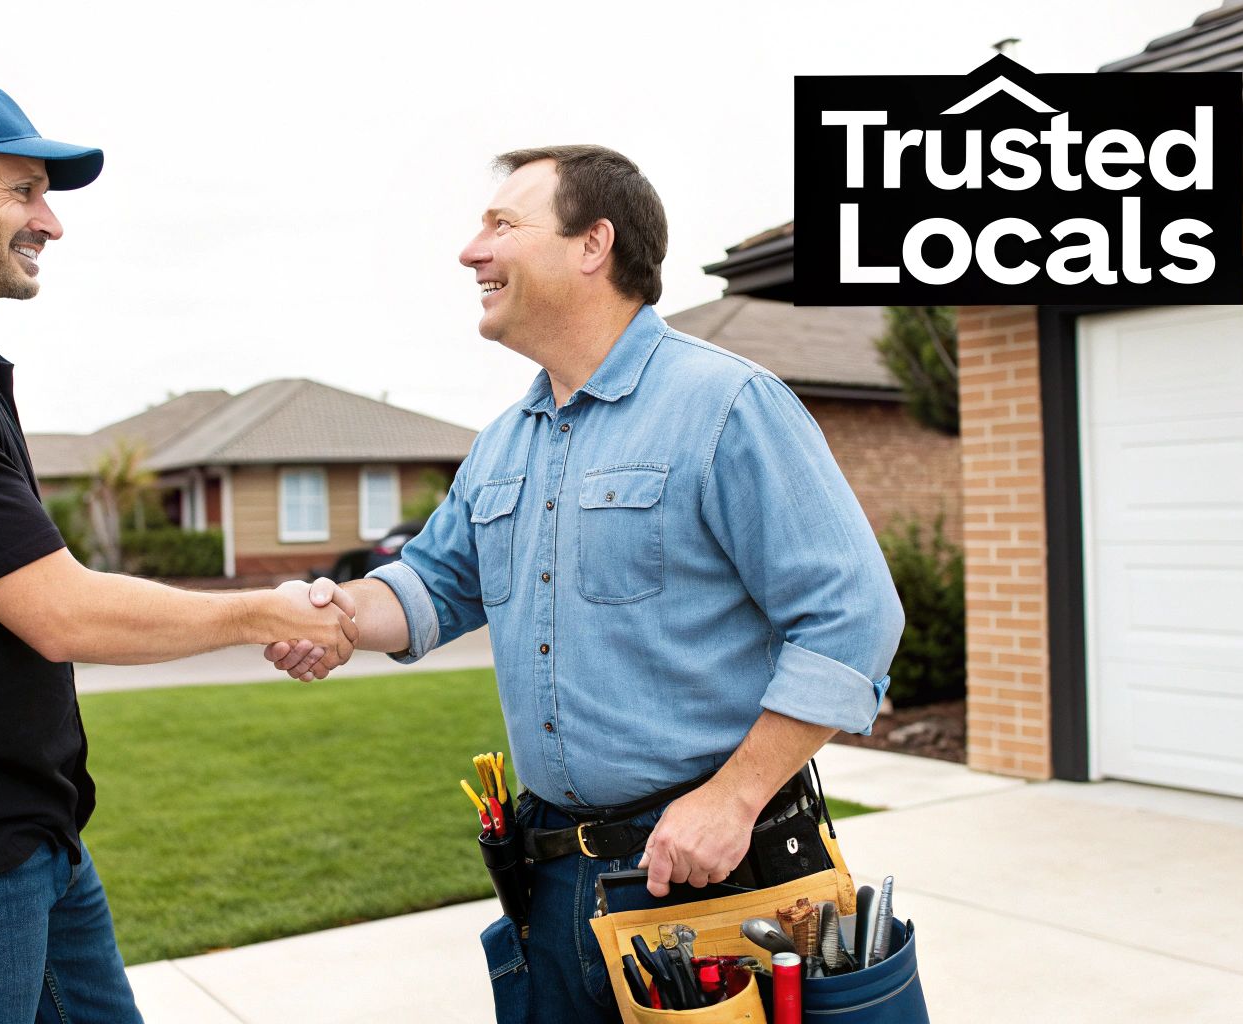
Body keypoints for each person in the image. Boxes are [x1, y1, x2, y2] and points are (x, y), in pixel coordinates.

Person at [265, 145, 904, 1022]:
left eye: (502, 225)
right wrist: (335, 616)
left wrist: (733, 797)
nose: (470, 252)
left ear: (592, 244)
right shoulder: (506, 441)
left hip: (714, 867)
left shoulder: (724, 406)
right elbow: (432, 587)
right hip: (556, 879)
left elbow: (853, 616)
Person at [0, 72, 356, 1023]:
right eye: (22, 191)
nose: (51, 221)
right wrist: (263, 610)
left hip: (22, 838)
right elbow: (60, 611)